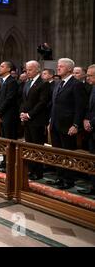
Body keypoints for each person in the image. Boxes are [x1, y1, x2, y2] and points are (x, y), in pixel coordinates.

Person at [48, 58, 86, 190]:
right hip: (55, 124)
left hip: (68, 125)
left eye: (61, 66)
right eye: (58, 66)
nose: (58, 68)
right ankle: (59, 177)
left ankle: (68, 180)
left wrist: (75, 125)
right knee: (57, 153)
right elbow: (54, 105)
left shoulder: (76, 84)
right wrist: (50, 121)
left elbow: (80, 107)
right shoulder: (58, 83)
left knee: (67, 153)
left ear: (69, 69)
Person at [19, 61, 52, 180]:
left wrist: (29, 114)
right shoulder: (27, 83)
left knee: (37, 146)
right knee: (29, 146)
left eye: (30, 70)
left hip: (37, 120)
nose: (27, 72)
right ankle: (31, 169)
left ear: (37, 70)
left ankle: (38, 172)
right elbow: (24, 100)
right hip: (27, 120)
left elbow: (42, 102)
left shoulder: (44, 83)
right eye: (26, 70)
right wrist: (22, 113)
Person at [0, 61, 19, 172]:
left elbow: (9, 99)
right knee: (4, 140)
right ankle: (4, 161)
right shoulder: (3, 81)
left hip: (9, 116)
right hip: (2, 114)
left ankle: (10, 163)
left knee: (9, 139)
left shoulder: (12, 82)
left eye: (2, 66)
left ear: (8, 69)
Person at [81, 64, 95, 195]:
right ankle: (93, 186)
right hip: (91, 128)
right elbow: (88, 107)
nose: (87, 78)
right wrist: (85, 120)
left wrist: (91, 122)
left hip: (93, 126)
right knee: (92, 158)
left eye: (90, 75)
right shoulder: (92, 88)